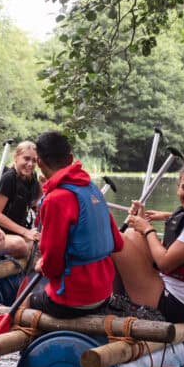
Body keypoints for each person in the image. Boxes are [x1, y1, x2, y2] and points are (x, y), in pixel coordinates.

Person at [112, 158, 184, 322]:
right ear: (178, 187)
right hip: (177, 293)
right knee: (131, 233)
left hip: (179, 305)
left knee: (118, 241)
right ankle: (120, 301)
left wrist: (148, 228)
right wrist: (141, 224)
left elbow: (164, 263)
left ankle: (118, 305)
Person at [31, 131, 124, 318]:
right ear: (71, 158)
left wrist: (41, 265)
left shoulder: (55, 199)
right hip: (105, 290)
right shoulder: (92, 189)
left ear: (39, 162)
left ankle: (25, 347)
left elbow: (52, 266)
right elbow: (118, 243)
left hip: (75, 297)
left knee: (30, 301)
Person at [0, 140, 41, 246]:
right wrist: (25, 232)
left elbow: (34, 203)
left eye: (34, 160)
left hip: (19, 232)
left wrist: (42, 185)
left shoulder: (32, 177)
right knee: (20, 244)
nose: (30, 164)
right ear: (16, 157)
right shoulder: (8, 178)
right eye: (26, 158)